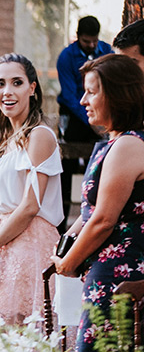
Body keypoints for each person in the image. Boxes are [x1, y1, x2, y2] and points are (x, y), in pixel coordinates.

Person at [52, 54, 144, 352]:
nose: (82, 100)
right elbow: (91, 211)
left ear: (117, 95)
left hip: (116, 278)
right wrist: (69, 238)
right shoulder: (115, 143)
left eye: (92, 91)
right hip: (102, 272)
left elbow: (104, 219)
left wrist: (67, 264)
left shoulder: (129, 146)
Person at [0, 54, 62, 325]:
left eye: (17, 83)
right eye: (0, 84)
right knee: (2, 335)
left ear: (32, 88)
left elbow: (30, 206)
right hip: (6, 244)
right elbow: (0, 213)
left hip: (30, 245)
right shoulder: (6, 142)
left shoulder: (40, 135)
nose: (7, 91)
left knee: (26, 334)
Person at [56, 15, 113, 230]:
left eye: (94, 41)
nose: (91, 45)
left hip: (101, 112)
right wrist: (90, 121)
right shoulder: (66, 57)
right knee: (66, 165)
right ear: (77, 37)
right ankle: (62, 225)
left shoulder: (106, 51)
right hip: (75, 115)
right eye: (86, 41)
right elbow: (70, 97)